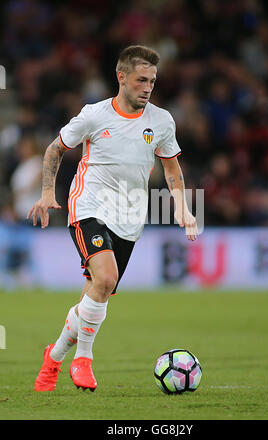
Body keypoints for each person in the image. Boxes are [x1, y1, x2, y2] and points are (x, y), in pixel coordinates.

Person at [27, 45, 198, 392]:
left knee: (96, 292)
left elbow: (171, 166)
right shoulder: (95, 115)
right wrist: (48, 192)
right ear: (121, 77)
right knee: (105, 278)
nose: (147, 87)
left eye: (152, 81)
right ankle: (84, 360)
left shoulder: (161, 121)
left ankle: (54, 357)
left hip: (129, 218)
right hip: (88, 205)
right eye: (140, 80)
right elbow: (55, 149)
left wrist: (181, 205)